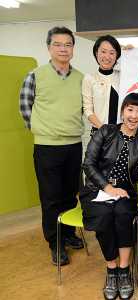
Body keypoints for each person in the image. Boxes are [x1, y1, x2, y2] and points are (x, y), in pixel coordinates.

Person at [19, 26, 84, 265]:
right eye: (58, 44)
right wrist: (42, 130)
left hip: (74, 144)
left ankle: (68, 234)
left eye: (68, 44)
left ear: (73, 49)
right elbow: (25, 108)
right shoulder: (35, 75)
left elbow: (87, 108)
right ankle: (55, 242)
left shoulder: (80, 78)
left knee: (70, 194)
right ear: (49, 47)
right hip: (46, 147)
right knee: (50, 197)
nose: (63, 48)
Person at [81, 93, 138, 300]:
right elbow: (88, 164)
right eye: (130, 109)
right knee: (104, 217)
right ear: (122, 111)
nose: (134, 115)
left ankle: (124, 271)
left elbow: (136, 176)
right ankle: (111, 270)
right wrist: (107, 187)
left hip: (125, 193)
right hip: (97, 190)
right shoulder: (105, 131)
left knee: (123, 216)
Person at [82, 35, 121, 135]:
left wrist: (131, 53)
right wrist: (103, 129)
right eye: (103, 51)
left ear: (117, 55)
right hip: (99, 133)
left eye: (112, 53)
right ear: (96, 53)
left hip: (121, 134)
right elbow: (88, 110)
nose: (107, 57)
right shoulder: (89, 78)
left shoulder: (122, 76)